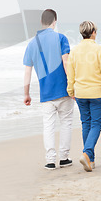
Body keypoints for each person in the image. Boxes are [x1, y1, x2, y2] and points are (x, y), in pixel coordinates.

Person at [23, 9, 74, 170]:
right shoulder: (61, 38)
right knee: (66, 123)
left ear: (41, 22)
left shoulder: (32, 43)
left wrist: (26, 93)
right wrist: (71, 85)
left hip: (46, 93)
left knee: (48, 125)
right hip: (63, 90)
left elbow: (27, 71)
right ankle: (64, 158)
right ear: (54, 21)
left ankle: (50, 160)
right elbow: (66, 63)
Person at [67, 21, 101, 172]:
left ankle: (90, 160)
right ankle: (87, 153)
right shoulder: (100, 50)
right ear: (93, 33)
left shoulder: (75, 51)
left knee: (86, 123)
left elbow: (70, 73)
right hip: (97, 92)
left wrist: (70, 90)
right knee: (96, 124)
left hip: (80, 92)